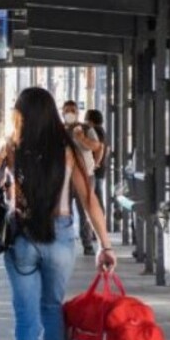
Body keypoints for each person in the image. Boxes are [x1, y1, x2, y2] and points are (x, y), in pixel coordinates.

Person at [0, 87, 116, 340]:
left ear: (20, 115)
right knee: (52, 308)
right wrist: (105, 246)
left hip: (22, 238)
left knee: (26, 318)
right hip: (61, 235)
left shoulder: (11, 147)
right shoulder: (68, 149)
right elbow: (89, 201)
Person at [62, 100, 102, 255]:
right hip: (64, 178)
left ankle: (87, 244)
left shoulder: (86, 129)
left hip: (86, 176)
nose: (70, 113)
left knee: (85, 210)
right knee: (64, 212)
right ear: (63, 112)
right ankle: (66, 243)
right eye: (67, 110)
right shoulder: (57, 130)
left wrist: (81, 139)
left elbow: (97, 147)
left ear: (78, 112)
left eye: (73, 110)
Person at [85, 109, 107, 213]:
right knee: (98, 195)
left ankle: (100, 222)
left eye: (86, 117)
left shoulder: (95, 130)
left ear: (91, 119)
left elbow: (101, 148)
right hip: (101, 168)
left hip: (96, 170)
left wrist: (96, 163)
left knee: (96, 197)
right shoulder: (102, 130)